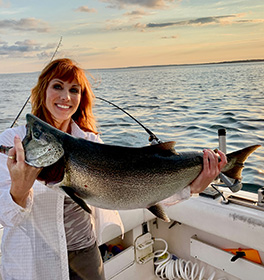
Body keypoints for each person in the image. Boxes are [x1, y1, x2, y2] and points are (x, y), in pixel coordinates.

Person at [0, 58, 227, 280]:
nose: (65, 97)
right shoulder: (13, 141)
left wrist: (192, 188)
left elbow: (134, 187)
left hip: (84, 252)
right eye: (57, 86)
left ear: (82, 97)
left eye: (74, 90)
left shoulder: (90, 141)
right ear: (43, 90)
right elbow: (4, 216)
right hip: (33, 256)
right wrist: (19, 191)